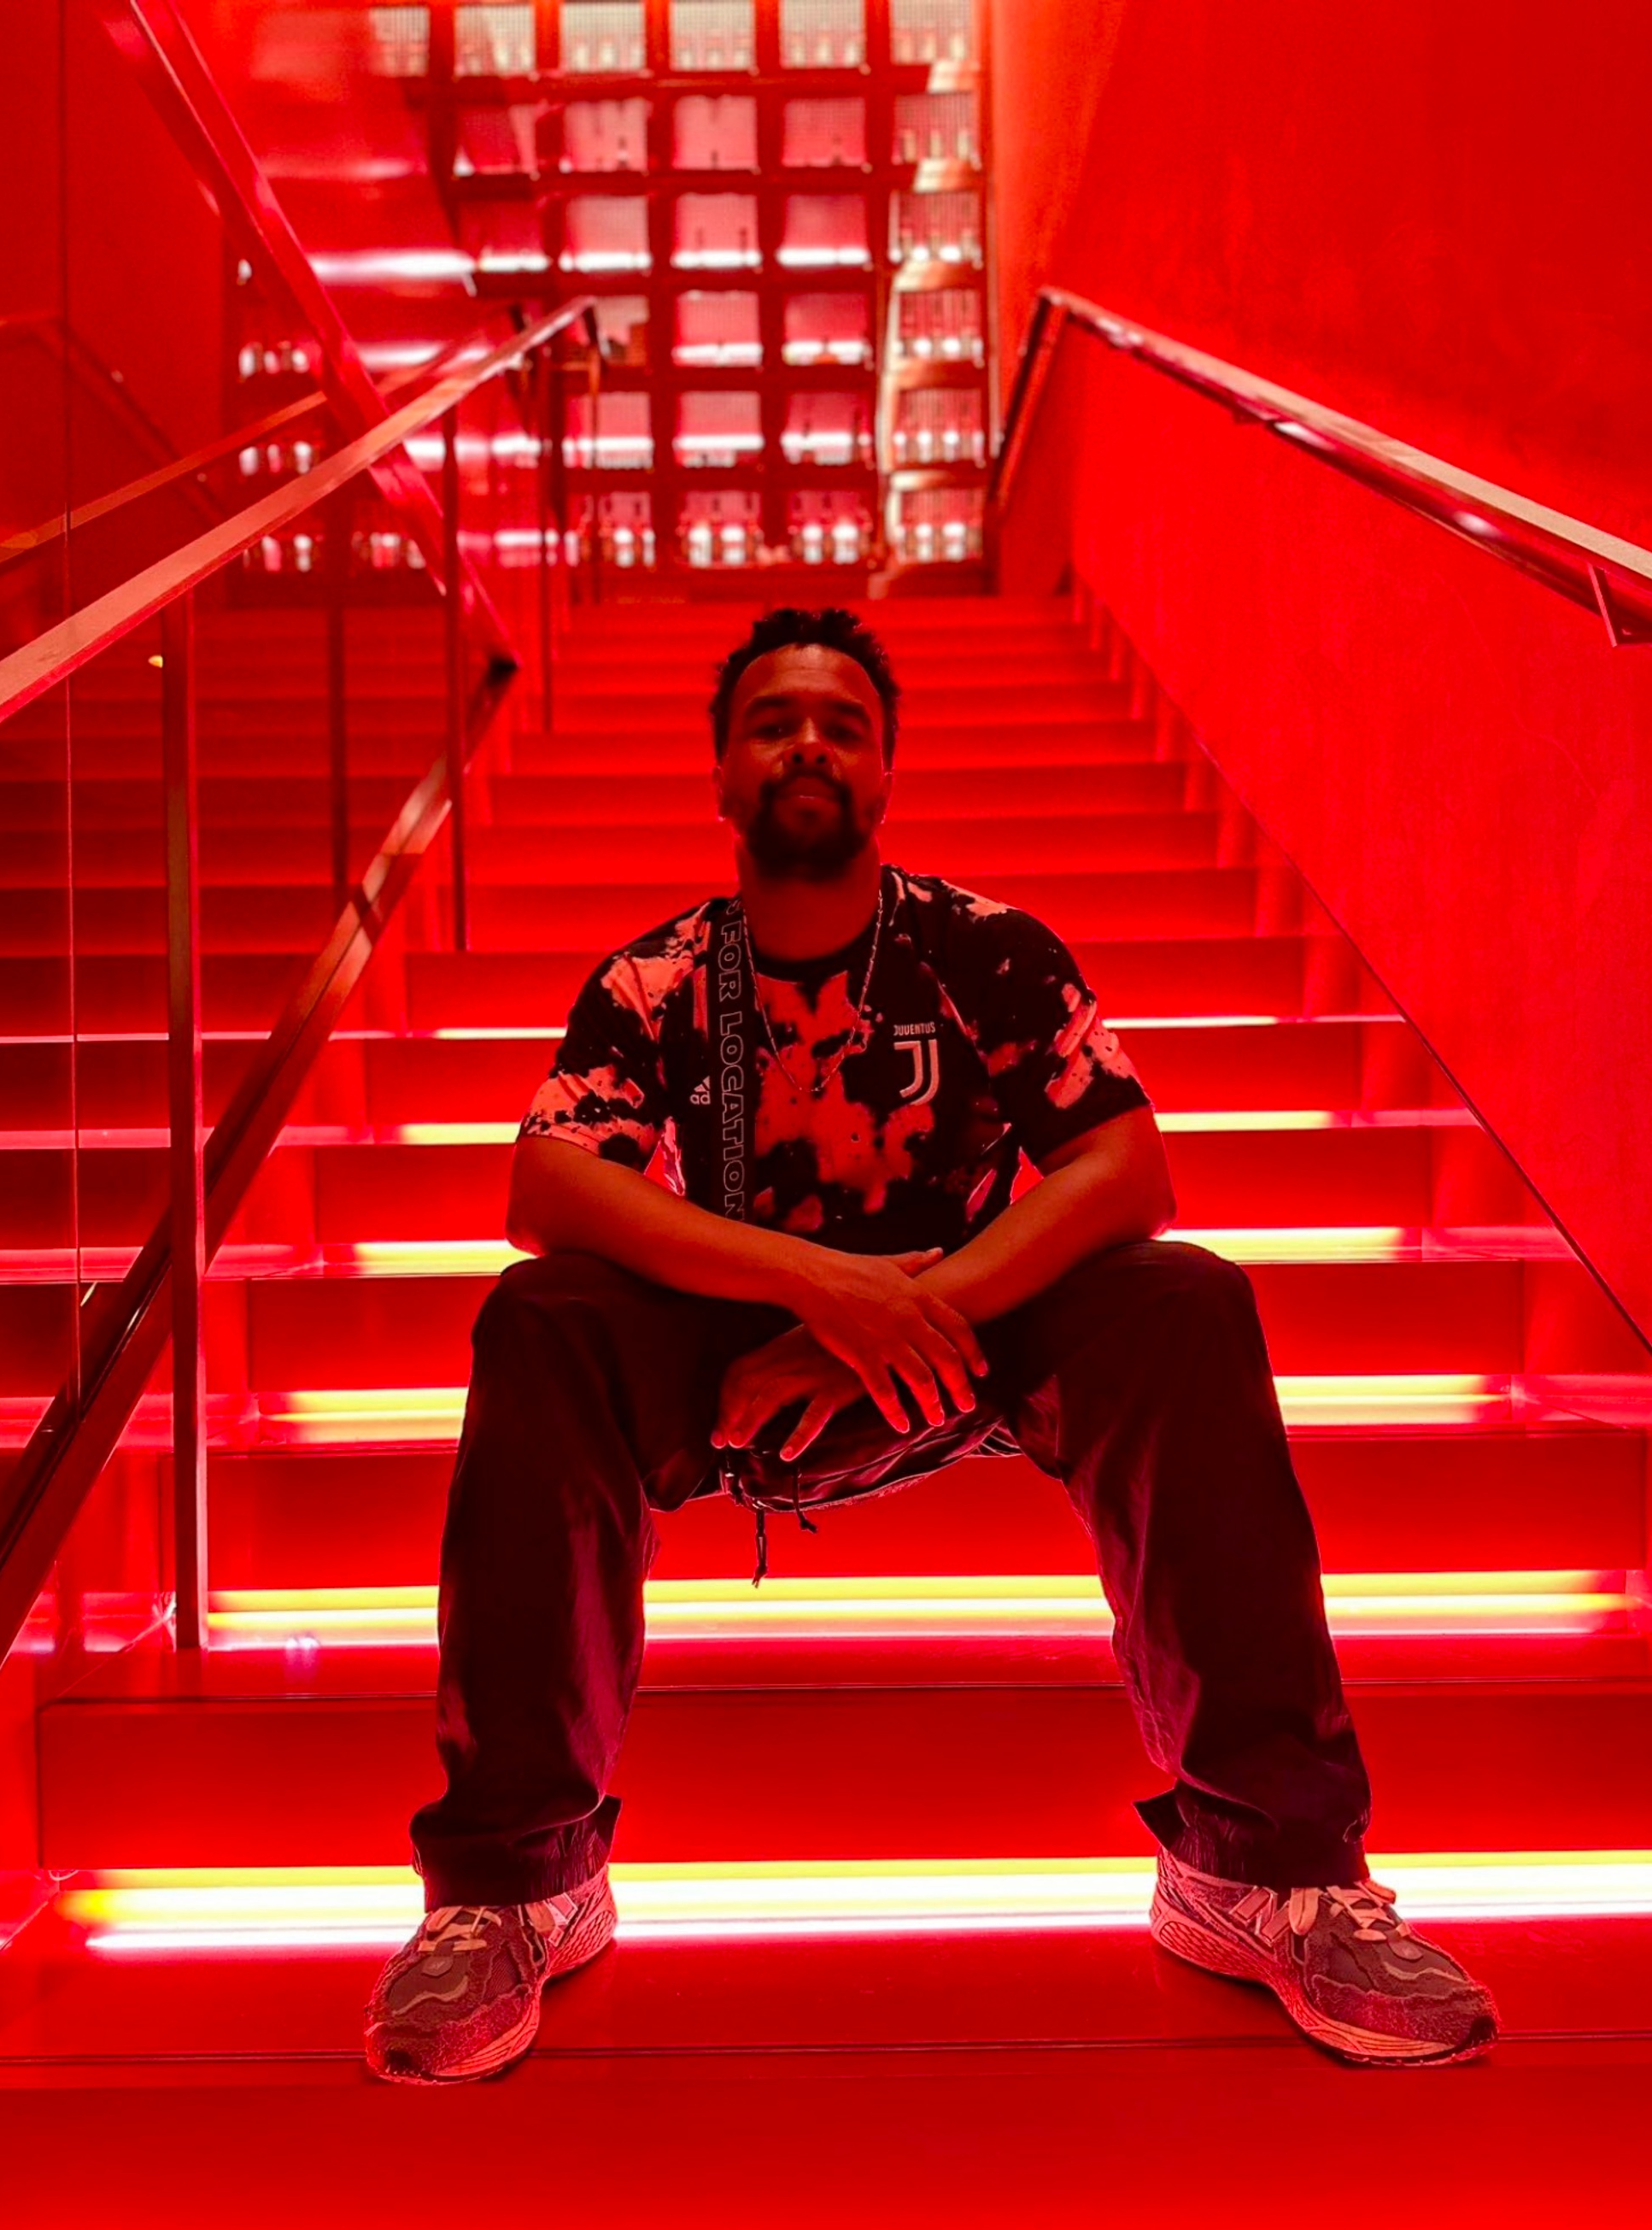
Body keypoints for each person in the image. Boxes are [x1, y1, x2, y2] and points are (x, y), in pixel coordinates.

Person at [364, 606, 1497, 2082]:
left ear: (886, 771)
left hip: (965, 1333)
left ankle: (1263, 1864)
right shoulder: (654, 981)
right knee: (542, 1318)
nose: (809, 742)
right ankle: (515, 1883)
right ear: (721, 775)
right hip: (736, 1349)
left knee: (1184, 1299)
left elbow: (1129, 1169)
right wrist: (825, 1296)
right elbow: (546, 1187)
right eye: (774, 720)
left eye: (843, 721)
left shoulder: (986, 951)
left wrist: (898, 1321)